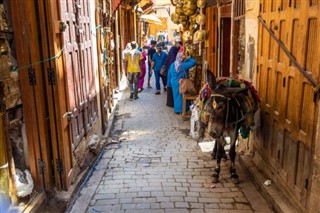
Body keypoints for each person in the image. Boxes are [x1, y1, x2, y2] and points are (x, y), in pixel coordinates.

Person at [163, 41, 180, 107]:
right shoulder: (175, 61)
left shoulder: (169, 57)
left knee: (170, 89)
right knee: (173, 91)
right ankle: (172, 103)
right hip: (174, 79)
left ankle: (169, 103)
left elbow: (165, 63)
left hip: (169, 77)